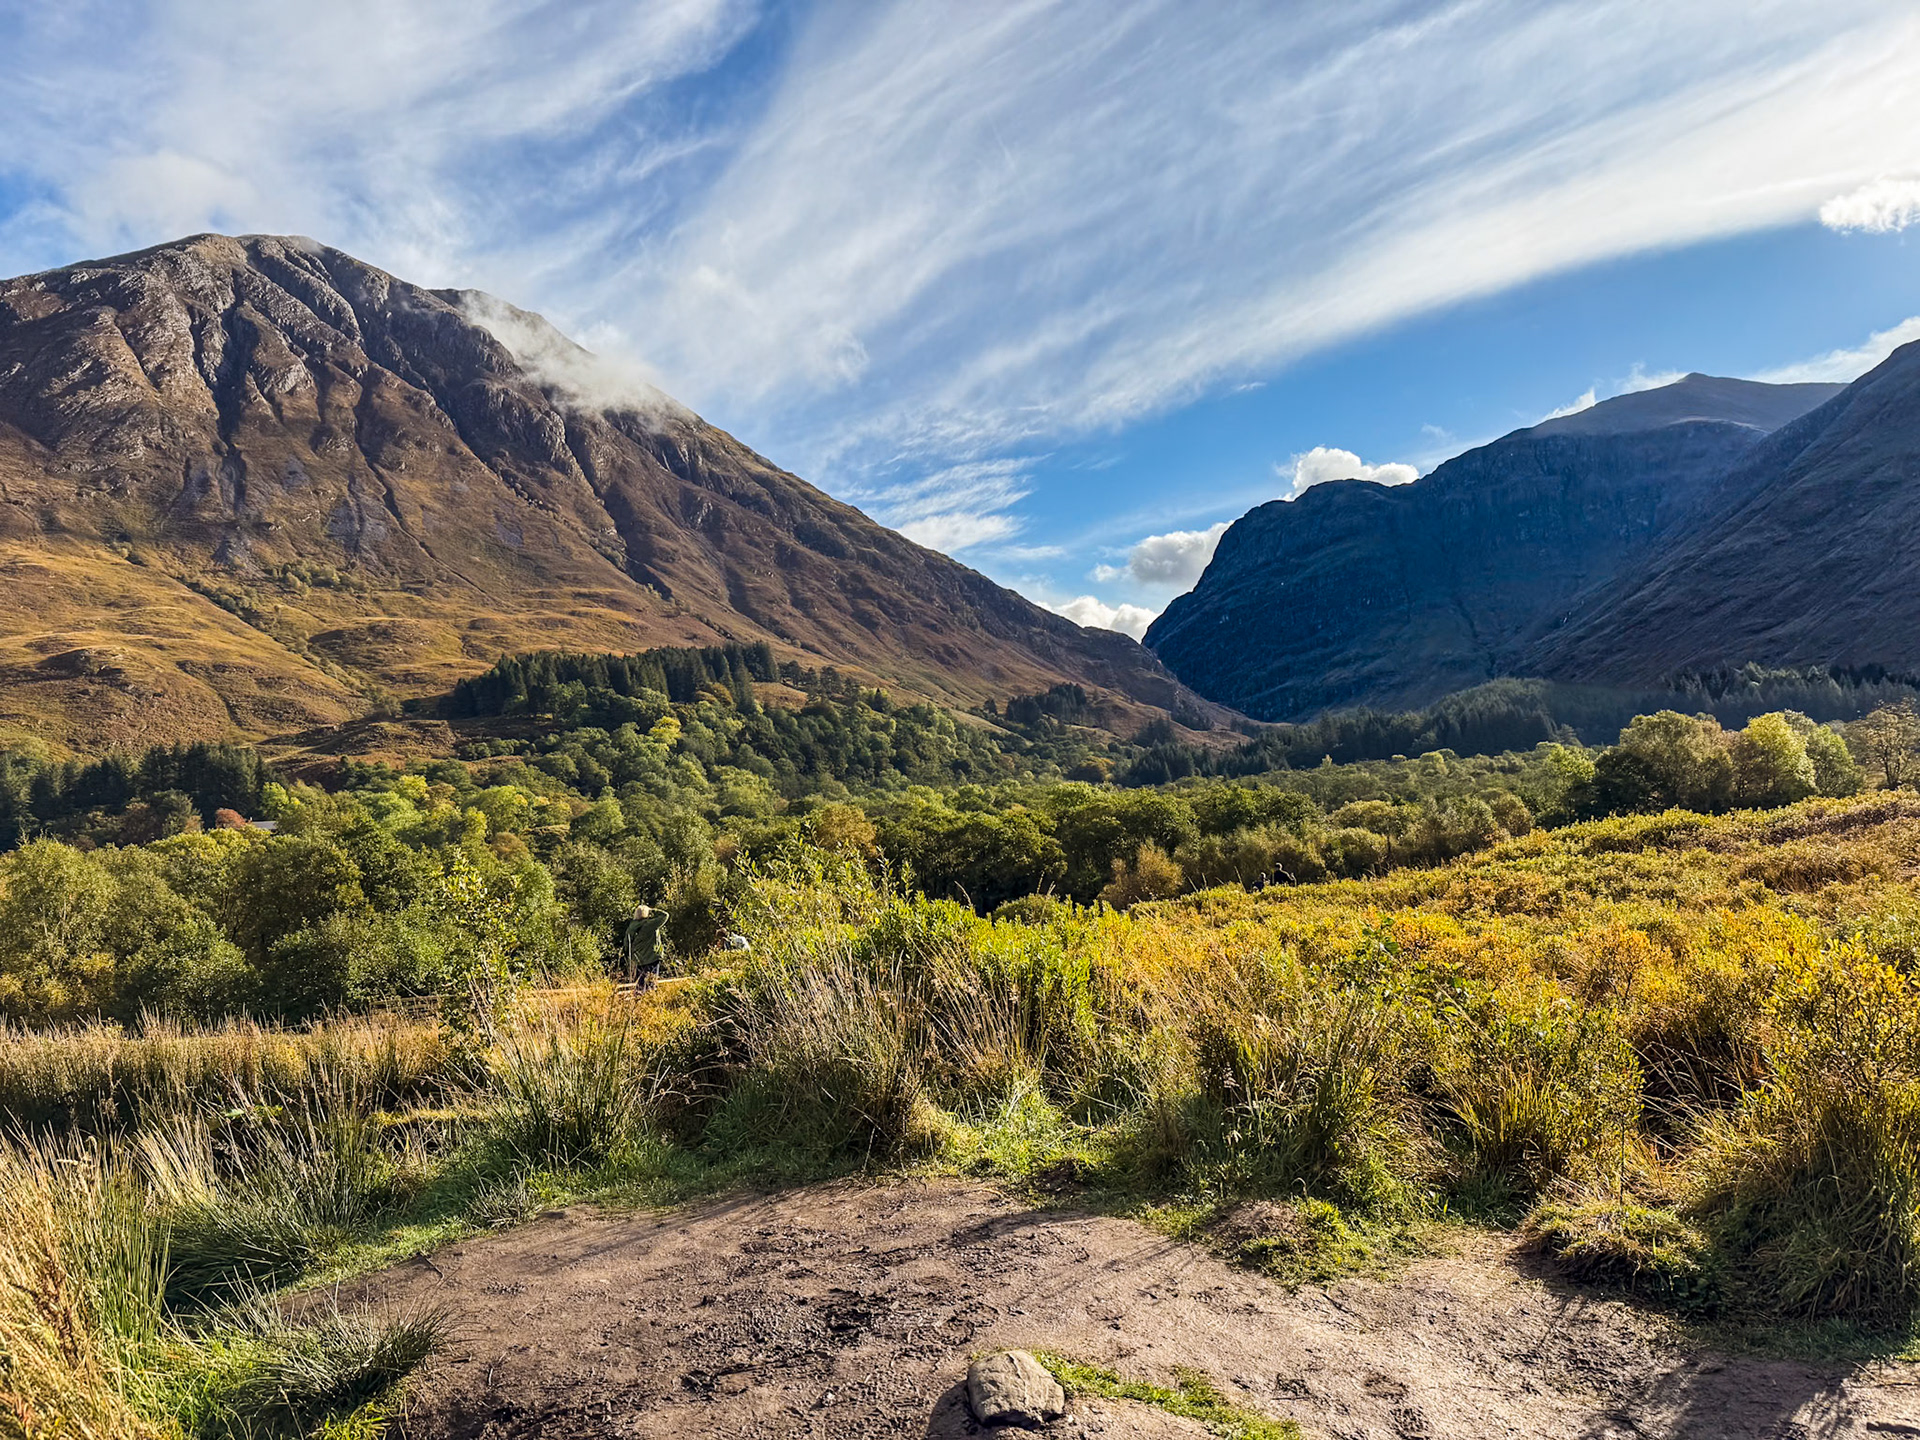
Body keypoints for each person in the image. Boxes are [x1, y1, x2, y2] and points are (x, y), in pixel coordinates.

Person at [623, 903, 670, 983]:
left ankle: (639, 994)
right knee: (651, 982)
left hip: (638, 959)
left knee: (641, 982)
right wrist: (652, 910)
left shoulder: (631, 927)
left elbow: (626, 944)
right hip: (652, 957)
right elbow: (665, 915)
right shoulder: (650, 925)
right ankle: (648, 995)